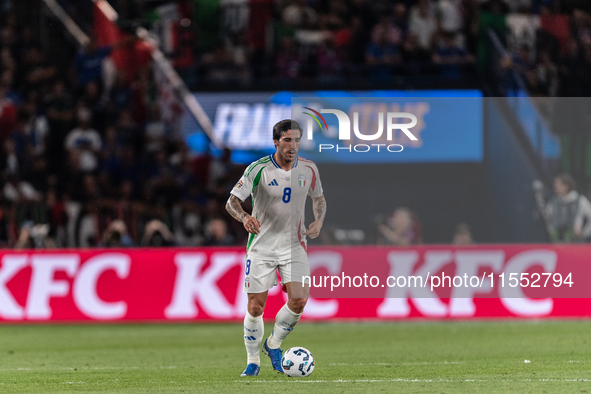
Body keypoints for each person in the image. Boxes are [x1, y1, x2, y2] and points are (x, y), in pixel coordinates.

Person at [225, 119, 326, 377]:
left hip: (295, 245)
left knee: (299, 300)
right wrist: (245, 217)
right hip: (262, 246)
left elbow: (319, 199)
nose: (293, 146)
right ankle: (252, 361)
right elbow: (232, 202)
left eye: (297, 140)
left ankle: (273, 344)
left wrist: (318, 220)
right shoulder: (258, 169)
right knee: (256, 307)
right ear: (276, 142)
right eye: (287, 140)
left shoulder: (309, 168)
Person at [546, 174, 591, 242]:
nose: (555, 186)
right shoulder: (553, 202)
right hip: (557, 243)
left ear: (566, 186)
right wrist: (551, 231)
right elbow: (546, 219)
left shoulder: (580, 200)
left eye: (558, 184)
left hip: (575, 244)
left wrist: (584, 233)